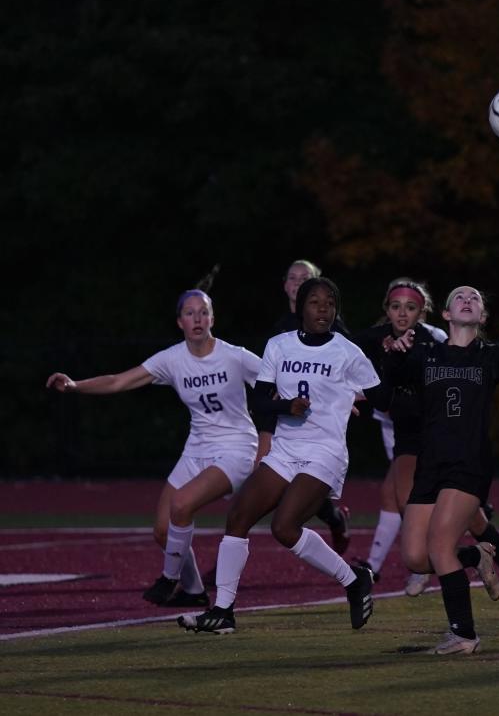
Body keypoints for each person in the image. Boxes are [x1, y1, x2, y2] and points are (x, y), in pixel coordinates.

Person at [178, 277, 389, 634]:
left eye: (330, 303)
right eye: (315, 302)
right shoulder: (279, 345)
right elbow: (259, 400)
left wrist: (375, 395)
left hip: (325, 452)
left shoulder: (348, 352)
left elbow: (382, 400)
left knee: (284, 527)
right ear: (301, 308)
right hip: (286, 449)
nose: (323, 309)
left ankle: (353, 581)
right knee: (238, 517)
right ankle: (223, 611)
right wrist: (284, 406)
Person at [46, 288, 268, 608]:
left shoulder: (235, 356)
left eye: (203, 312)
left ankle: (169, 579)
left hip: (236, 448)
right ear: (179, 322)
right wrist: (75, 385)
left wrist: (341, 396)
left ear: (212, 318)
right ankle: (193, 591)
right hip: (197, 448)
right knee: (163, 530)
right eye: (190, 313)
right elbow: (119, 380)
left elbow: (278, 382)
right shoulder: (172, 358)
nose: (197, 318)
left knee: (182, 504)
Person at [384, 285, 499, 654]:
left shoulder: (490, 356)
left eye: (475, 299)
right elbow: (392, 381)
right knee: (415, 558)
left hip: (469, 464)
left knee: (439, 546)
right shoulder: (426, 354)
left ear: (482, 317)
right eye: (459, 298)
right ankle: (477, 556)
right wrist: (396, 352)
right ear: (447, 315)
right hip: (429, 464)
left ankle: (464, 634)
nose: (468, 301)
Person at [353, 279, 499, 608]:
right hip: (401, 432)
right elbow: (370, 387)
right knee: (402, 503)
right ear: (386, 310)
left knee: (468, 519)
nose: (403, 313)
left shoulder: (434, 341)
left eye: (411, 307)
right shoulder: (370, 341)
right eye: (396, 307)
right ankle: (445, 560)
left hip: (431, 437)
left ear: (424, 311)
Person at [272, 259, 352, 555]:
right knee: (277, 479)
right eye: (292, 278)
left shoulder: (331, 326)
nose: (296, 283)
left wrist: (347, 396)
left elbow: (349, 367)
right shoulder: (281, 328)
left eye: (304, 278)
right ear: (285, 285)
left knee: (297, 487)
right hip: (285, 415)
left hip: (319, 422)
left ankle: (328, 521)